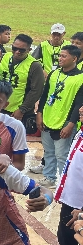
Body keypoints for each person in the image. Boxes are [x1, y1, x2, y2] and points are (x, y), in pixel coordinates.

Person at [36, 45, 83, 188]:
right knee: (49, 152)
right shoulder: (54, 73)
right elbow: (45, 95)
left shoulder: (80, 78)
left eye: (64, 56)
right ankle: (49, 177)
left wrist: (70, 124)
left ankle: (65, 183)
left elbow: (79, 104)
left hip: (65, 122)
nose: (60, 58)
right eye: (59, 56)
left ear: (74, 59)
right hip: (48, 118)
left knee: (62, 155)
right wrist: (39, 114)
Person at [0, 34, 44, 131]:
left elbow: (36, 90)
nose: (17, 52)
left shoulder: (34, 66)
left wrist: (22, 110)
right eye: (14, 48)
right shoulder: (4, 57)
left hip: (18, 111)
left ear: (29, 50)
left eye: (22, 50)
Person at [55, 111, 83, 245]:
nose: (81, 109)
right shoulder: (81, 131)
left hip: (79, 209)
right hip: (71, 203)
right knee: (65, 244)